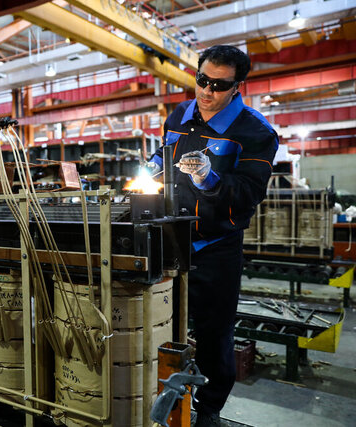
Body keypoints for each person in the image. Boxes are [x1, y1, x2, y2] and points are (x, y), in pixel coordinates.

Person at [148, 45, 278, 427]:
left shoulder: (256, 132)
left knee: (214, 331)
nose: (207, 91)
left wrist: (209, 178)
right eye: (202, 80)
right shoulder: (179, 116)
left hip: (216, 245)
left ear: (237, 86)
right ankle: (161, 391)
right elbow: (166, 153)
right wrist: (155, 162)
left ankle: (209, 409)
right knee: (159, 320)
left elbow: (249, 194)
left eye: (219, 86)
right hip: (170, 236)